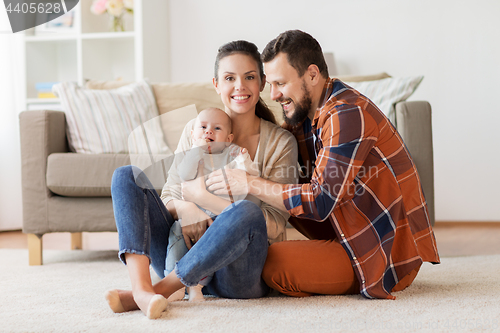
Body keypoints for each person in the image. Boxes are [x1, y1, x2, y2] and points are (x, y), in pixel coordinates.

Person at [206, 30, 440, 300]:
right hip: (344, 232)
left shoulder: (348, 114)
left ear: (313, 75)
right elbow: (274, 160)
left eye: (280, 83)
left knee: (271, 263)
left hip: (379, 251)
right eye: (269, 84)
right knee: (282, 189)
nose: (273, 94)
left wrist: (248, 183)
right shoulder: (303, 117)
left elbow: (320, 200)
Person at [105, 40, 298, 319]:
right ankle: (142, 290)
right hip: (183, 250)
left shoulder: (281, 143)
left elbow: (273, 225)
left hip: (236, 275)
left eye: (250, 77)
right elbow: (170, 193)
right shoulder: (197, 129)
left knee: (247, 210)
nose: (240, 87)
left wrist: (202, 197)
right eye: (229, 78)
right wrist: (187, 208)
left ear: (262, 83)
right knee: (126, 176)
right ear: (216, 84)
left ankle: (162, 288)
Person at [164, 107, 260, 302]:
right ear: (193, 135)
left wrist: (244, 159)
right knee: (176, 232)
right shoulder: (192, 153)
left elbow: (250, 178)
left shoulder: (231, 153)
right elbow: (184, 174)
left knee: (212, 243)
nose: (208, 132)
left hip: (219, 216)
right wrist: (195, 150)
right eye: (203, 127)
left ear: (229, 138)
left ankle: (197, 287)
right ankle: (171, 280)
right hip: (191, 216)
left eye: (217, 128)